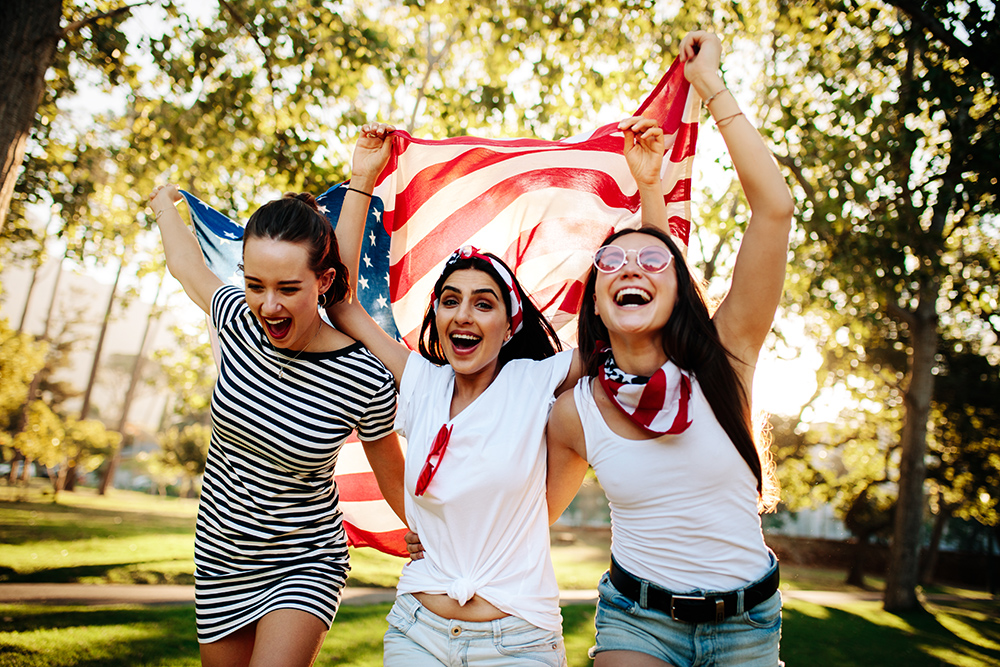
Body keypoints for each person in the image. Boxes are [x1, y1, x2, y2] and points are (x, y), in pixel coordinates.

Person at [327, 113, 669, 666]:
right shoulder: (419, 381)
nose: (464, 314)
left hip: (518, 642)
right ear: (436, 315)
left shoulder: (535, 381)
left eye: (484, 303)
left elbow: (647, 321)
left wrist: (649, 186)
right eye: (451, 300)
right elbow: (340, 302)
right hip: (416, 631)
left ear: (509, 325)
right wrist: (363, 178)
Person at [546, 31, 795, 667]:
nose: (631, 270)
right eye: (612, 263)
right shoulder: (576, 409)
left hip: (748, 626)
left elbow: (774, 209)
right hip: (639, 622)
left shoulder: (726, 355)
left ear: (679, 286)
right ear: (596, 304)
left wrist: (710, 86)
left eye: (652, 260)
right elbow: (522, 515)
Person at [147, 185, 406, 667]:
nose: (268, 306)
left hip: (306, 559)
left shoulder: (363, 374)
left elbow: (392, 471)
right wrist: (164, 203)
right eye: (255, 284)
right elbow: (187, 268)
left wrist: (434, 532)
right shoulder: (235, 318)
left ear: (324, 280)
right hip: (222, 555)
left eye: (288, 289)